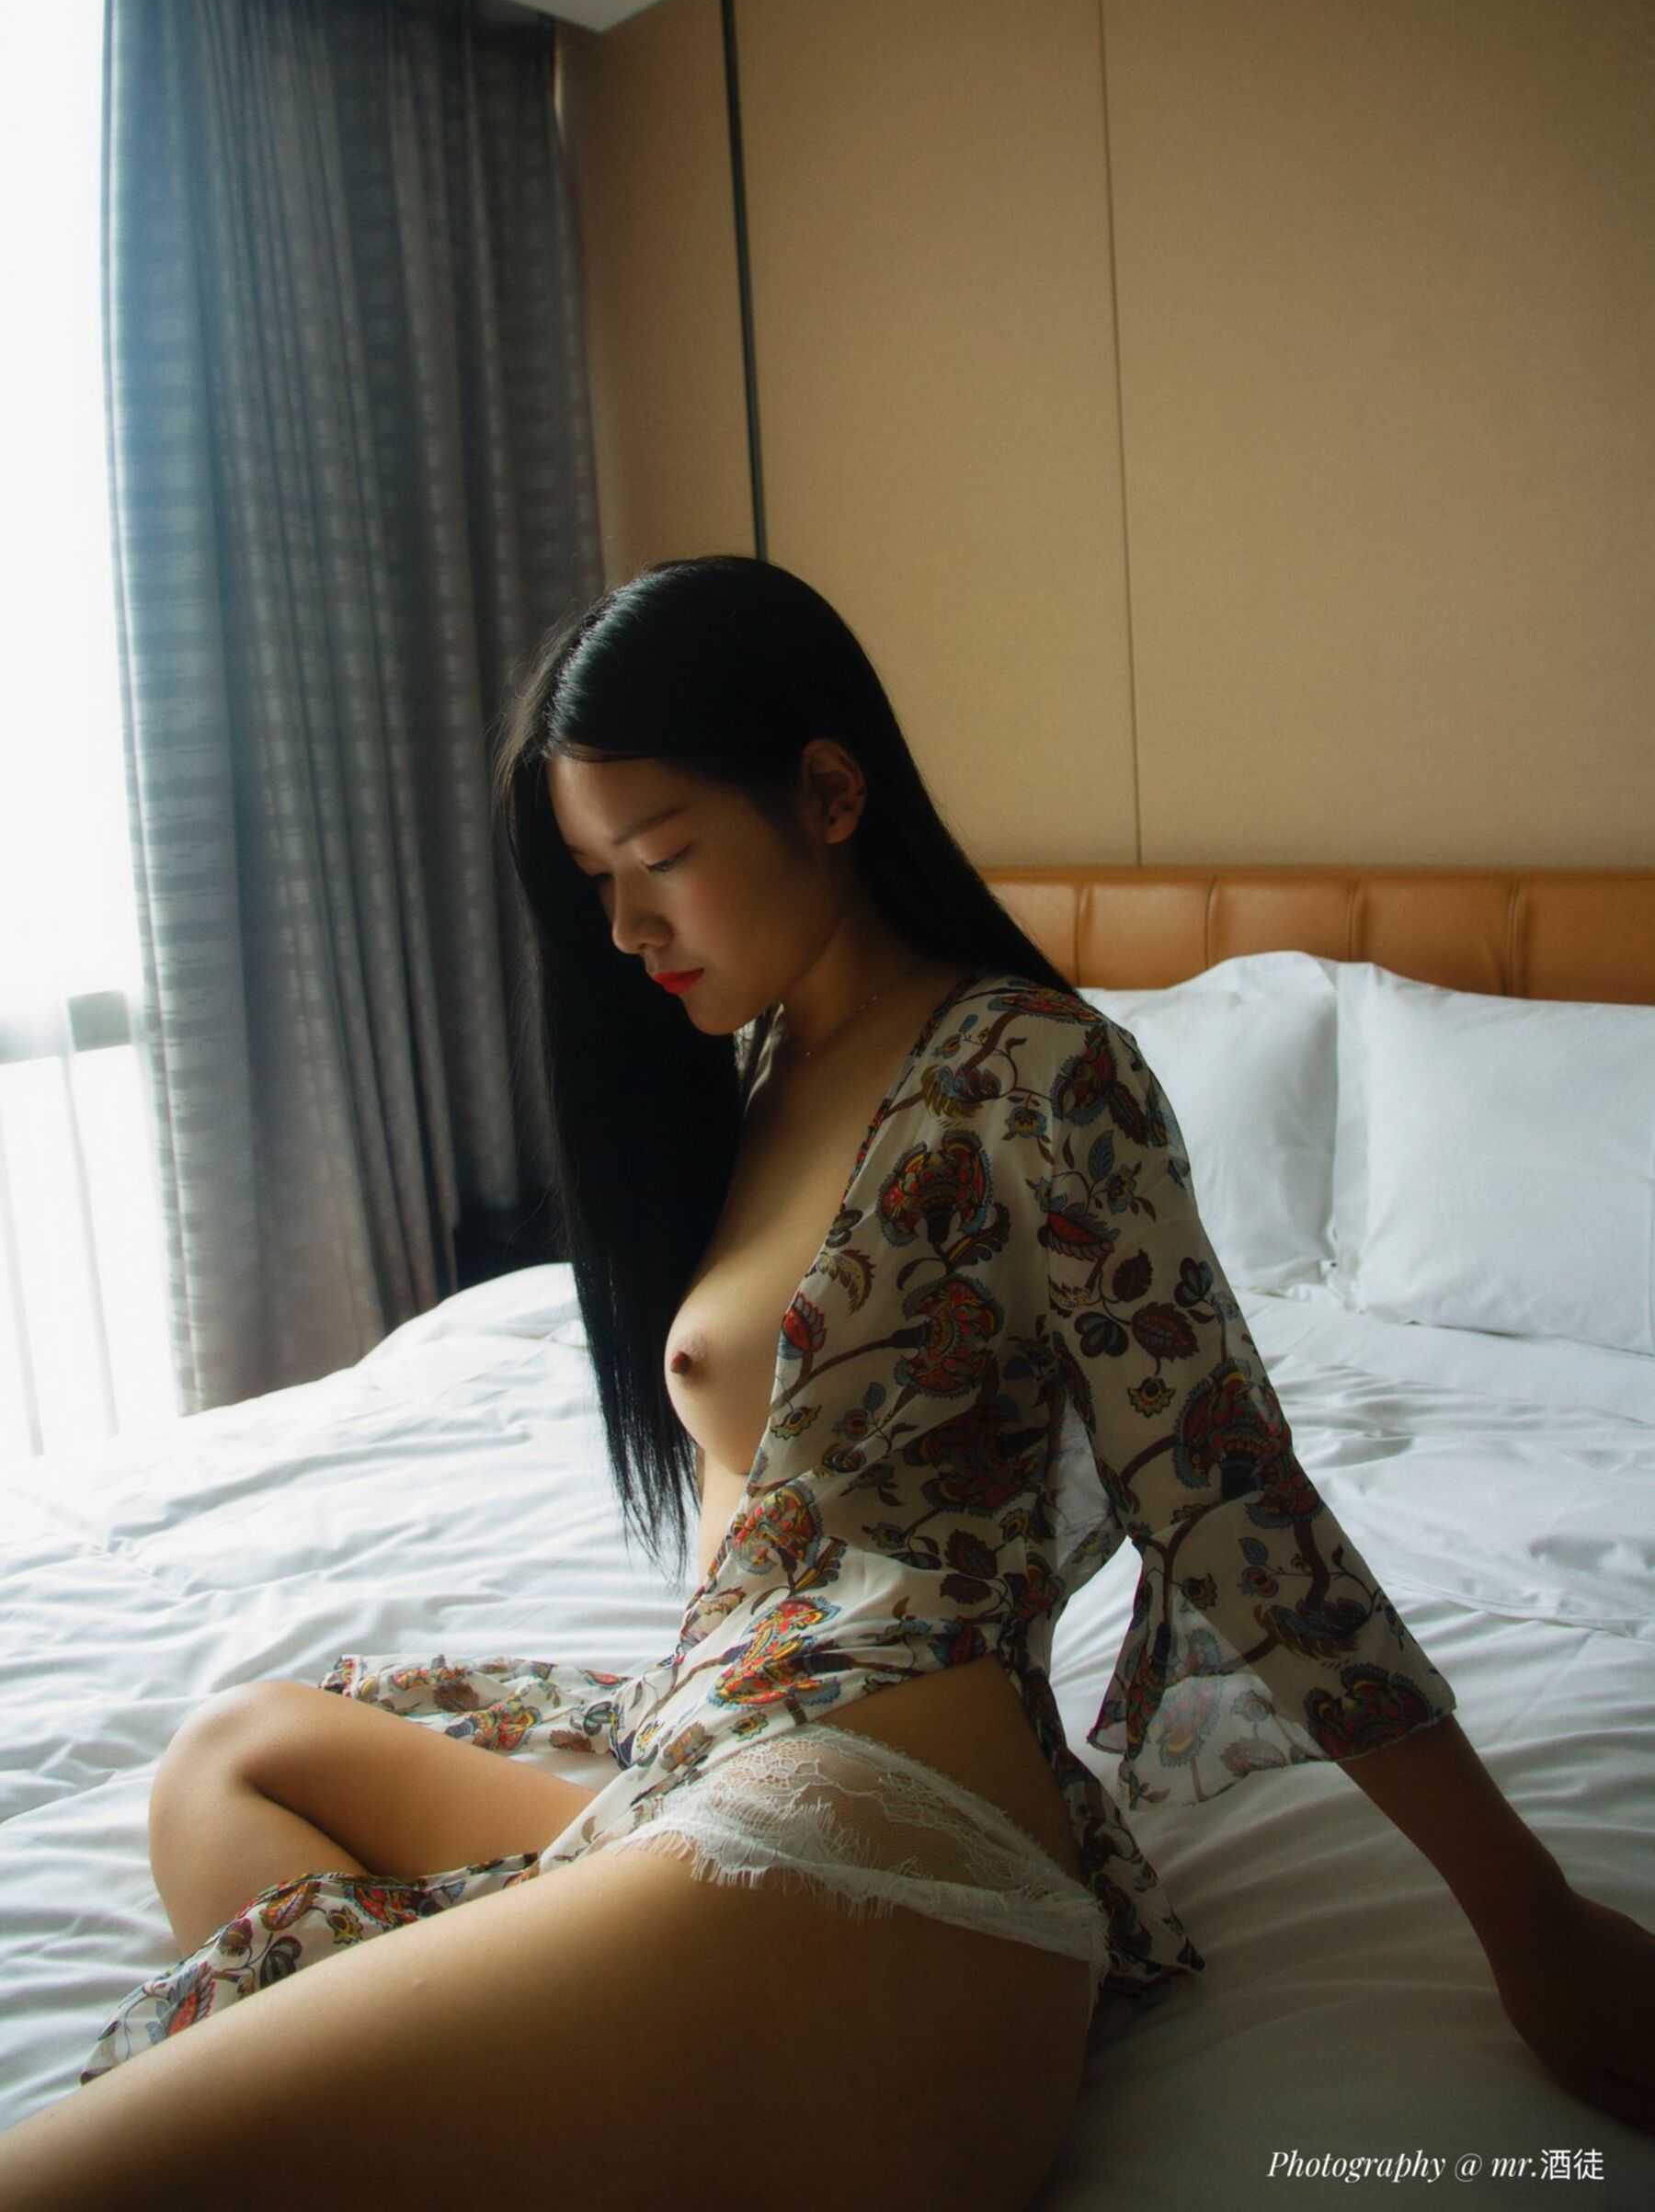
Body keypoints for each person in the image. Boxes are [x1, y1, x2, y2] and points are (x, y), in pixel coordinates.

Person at [7, 556, 1650, 2207]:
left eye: (661, 859)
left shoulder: (1036, 1072)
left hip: (881, 1844)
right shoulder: (761, 1063)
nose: (626, 928)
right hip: (735, 1766)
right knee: (238, 1751)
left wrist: (1534, 1926)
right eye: (595, 880)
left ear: (831, 793)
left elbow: (1232, 1498)